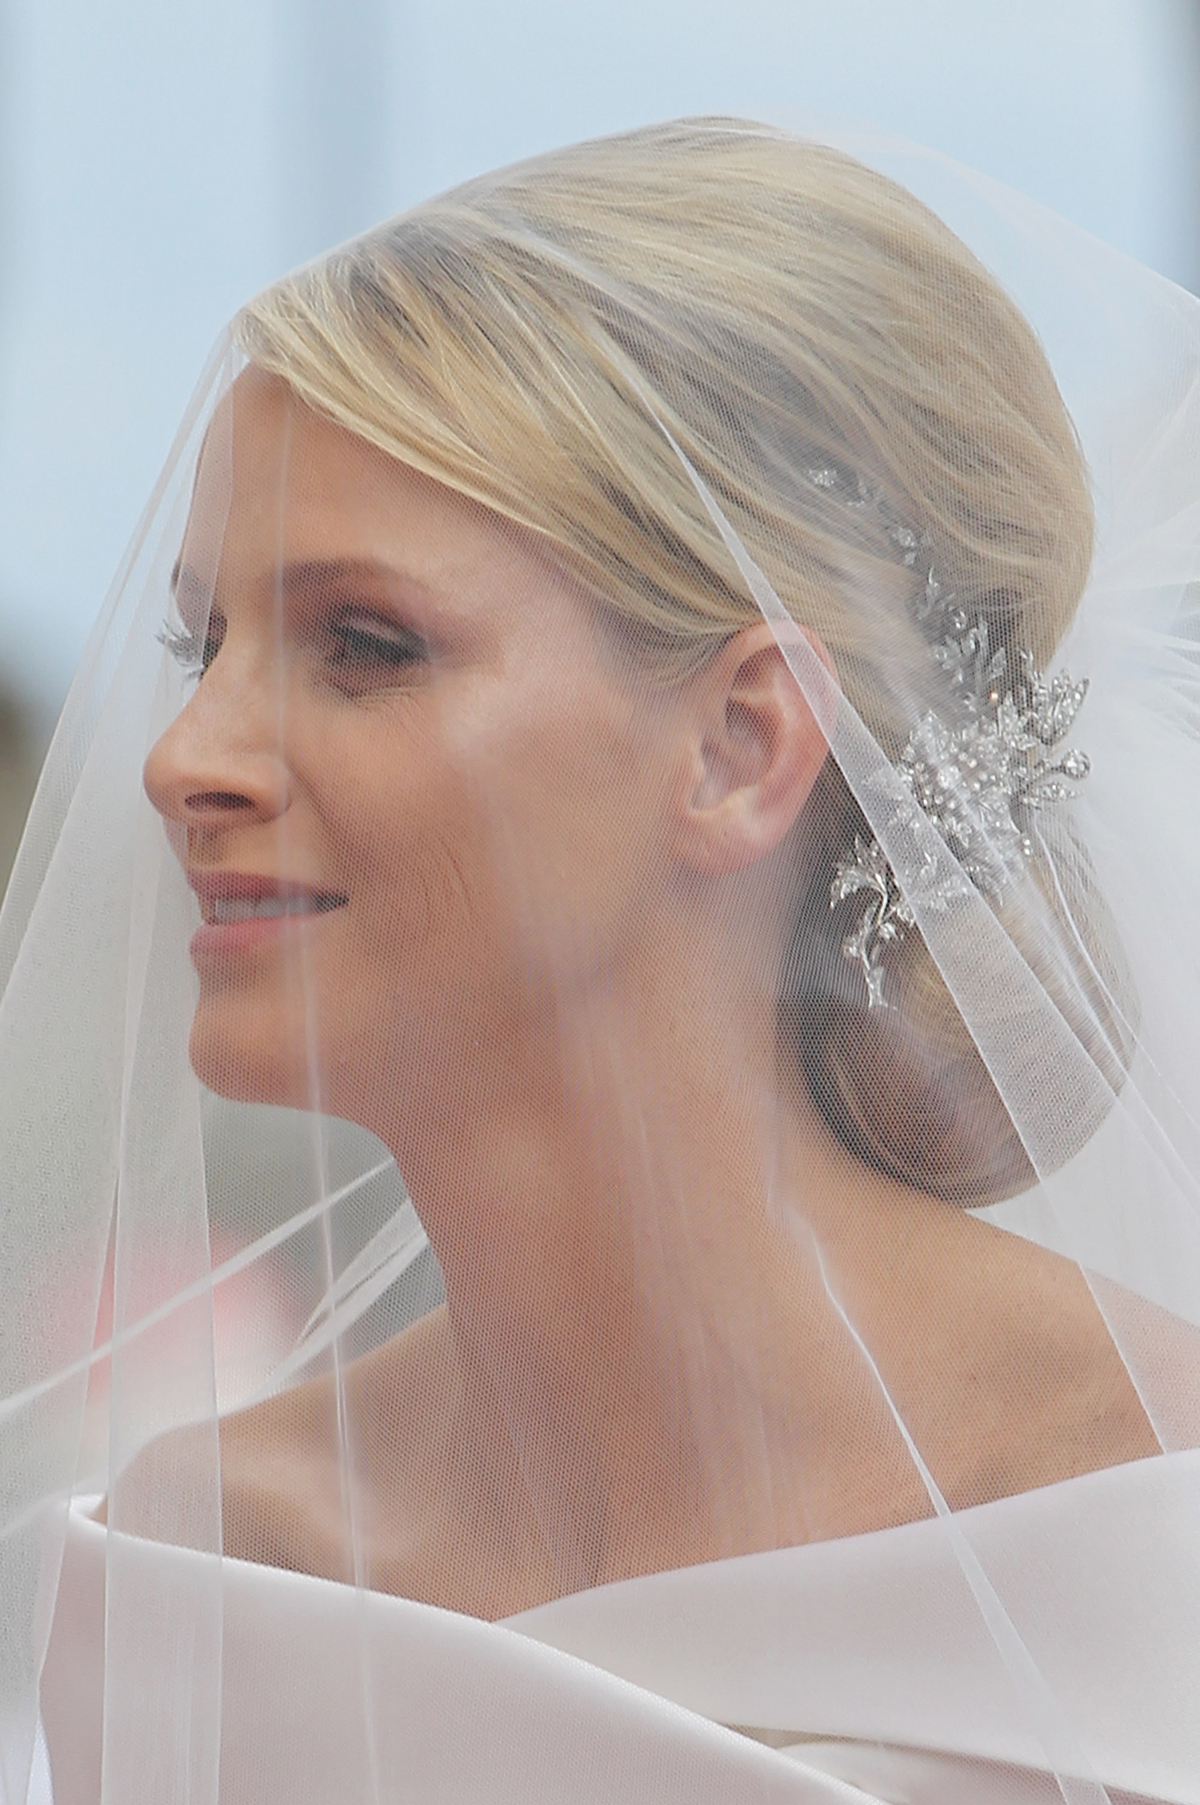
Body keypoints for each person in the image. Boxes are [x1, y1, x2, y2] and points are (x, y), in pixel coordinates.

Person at [6, 118, 1200, 1803]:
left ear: (740, 742)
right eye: (204, 641)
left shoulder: (1155, 1519)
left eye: (363, 644)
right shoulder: (201, 1567)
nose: (185, 751)